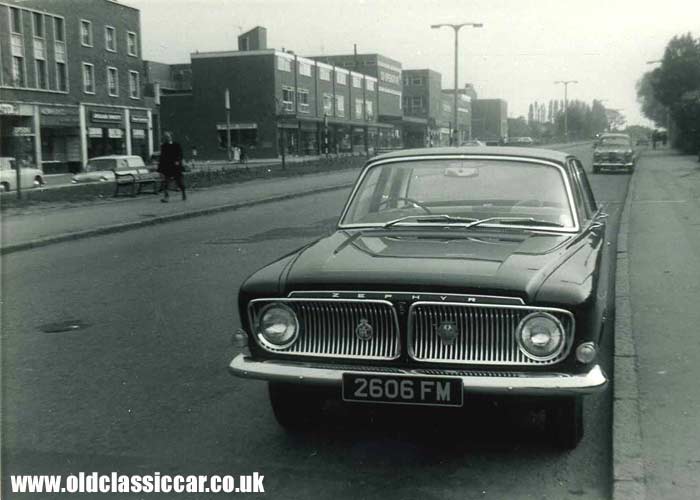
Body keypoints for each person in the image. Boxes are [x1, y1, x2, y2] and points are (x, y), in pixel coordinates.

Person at [157, 132, 186, 202]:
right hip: (167, 167)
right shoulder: (164, 146)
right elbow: (162, 157)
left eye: (168, 136)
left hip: (175, 166)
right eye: (165, 137)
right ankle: (166, 197)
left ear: (171, 137)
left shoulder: (176, 145)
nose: (167, 138)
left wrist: (178, 161)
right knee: (165, 182)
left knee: (179, 181)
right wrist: (160, 168)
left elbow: (180, 154)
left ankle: (183, 193)